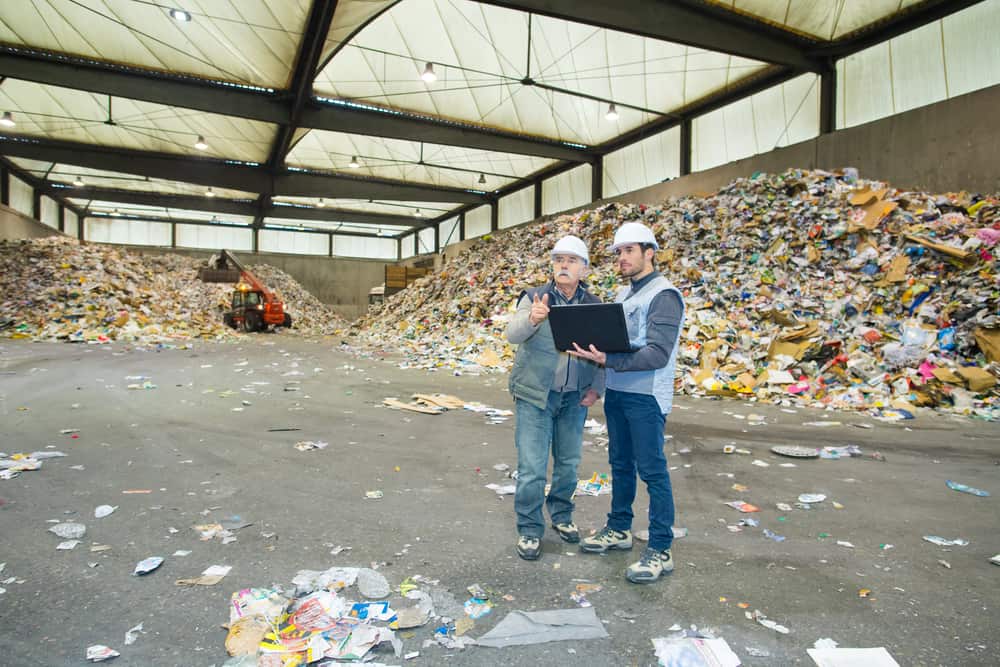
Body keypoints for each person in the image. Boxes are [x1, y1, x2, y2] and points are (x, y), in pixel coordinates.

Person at [568, 222, 685, 584]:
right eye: (618, 252)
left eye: (629, 251)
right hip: (619, 393)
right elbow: (610, 345)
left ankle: (660, 548)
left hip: (646, 396)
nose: (622, 258)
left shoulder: (664, 296)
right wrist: (599, 380)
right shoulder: (622, 296)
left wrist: (609, 361)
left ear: (650, 252)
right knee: (620, 465)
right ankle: (619, 529)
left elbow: (657, 354)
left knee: (651, 470)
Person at [506, 235, 605, 561]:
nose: (564, 265)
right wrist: (533, 319)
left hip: (573, 399)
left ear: (584, 268)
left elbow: (603, 349)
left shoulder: (593, 305)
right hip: (536, 396)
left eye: (571, 260)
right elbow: (512, 335)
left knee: (568, 465)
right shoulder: (535, 297)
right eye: (559, 259)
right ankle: (530, 529)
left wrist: (597, 387)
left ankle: (562, 517)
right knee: (533, 467)